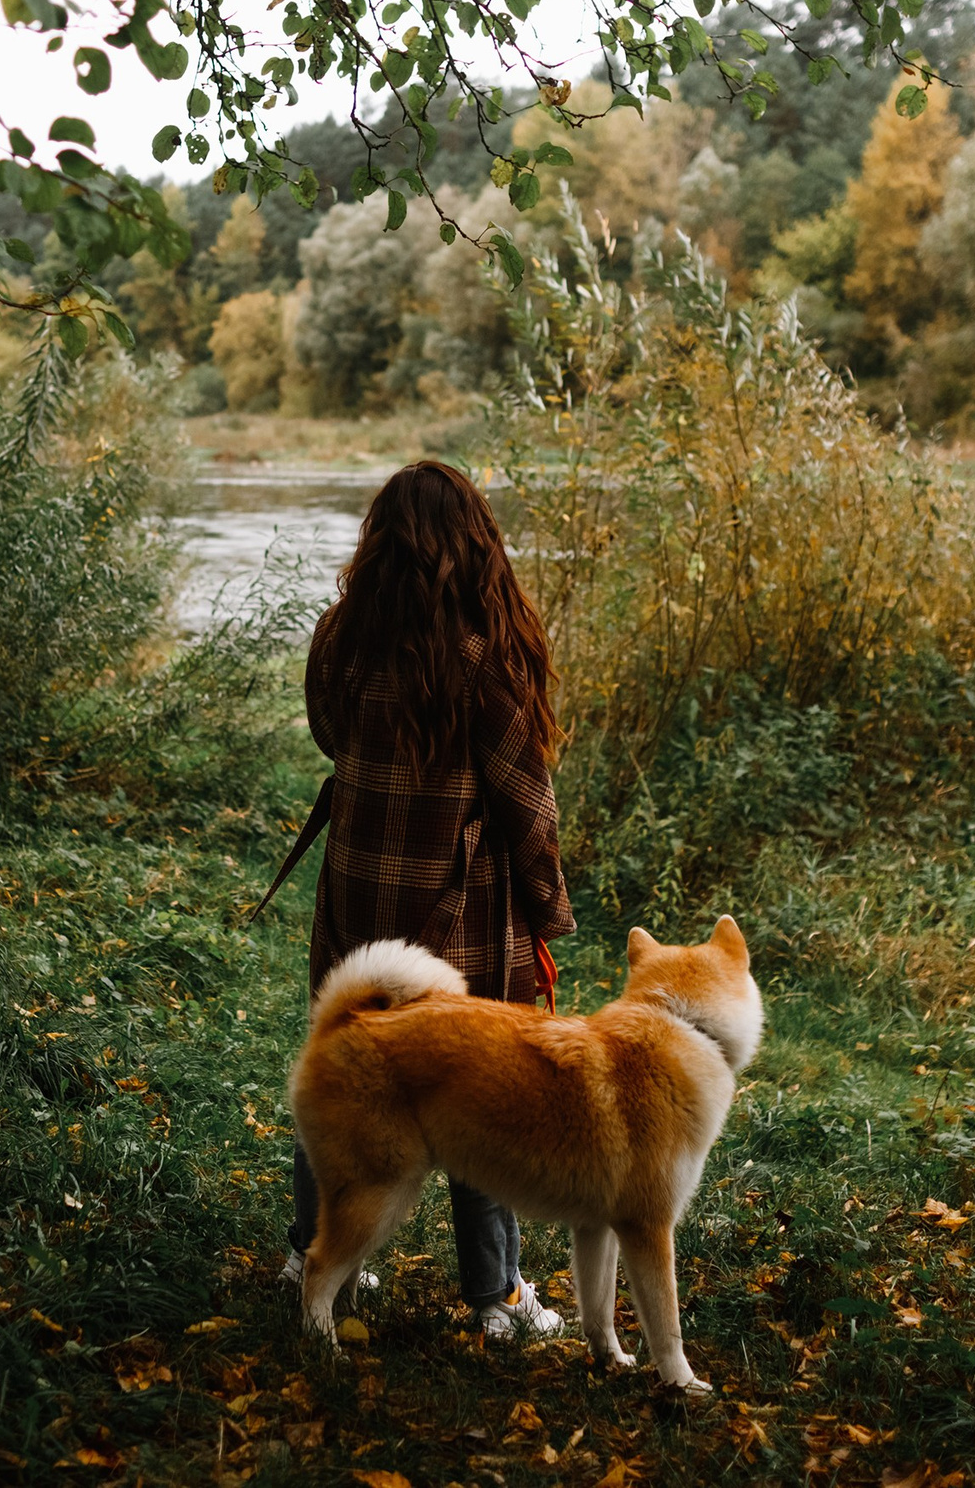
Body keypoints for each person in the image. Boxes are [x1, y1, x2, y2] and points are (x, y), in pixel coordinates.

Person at [279, 459, 577, 1340]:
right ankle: (496, 1296)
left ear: (380, 541)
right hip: (459, 913)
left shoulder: (341, 637)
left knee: (345, 1064)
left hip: (358, 891)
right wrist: (548, 912)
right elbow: (527, 802)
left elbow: (328, 733)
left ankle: (310, 1254)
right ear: (475, 542)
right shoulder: (486, 652)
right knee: (475, 1089)